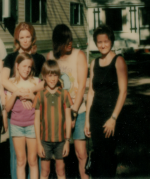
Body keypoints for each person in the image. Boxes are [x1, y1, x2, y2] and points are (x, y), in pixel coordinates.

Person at [1, 22, 46, 179]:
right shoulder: (11, 57)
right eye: (22, 37)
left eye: (28, 37)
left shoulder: (39, 58)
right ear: (17, 39)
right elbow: (4, 80)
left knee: (34, 159)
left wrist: (30, 92)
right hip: (16, 115)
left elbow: (47, 82)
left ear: (32, 38)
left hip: (33, 116)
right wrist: (20, 94)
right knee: (18, 159)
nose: (25, 40)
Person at [84, 25, 127, 178]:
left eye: (106, 41)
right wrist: (87, 121)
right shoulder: (94, 63)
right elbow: (91, 93)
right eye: (99, 42)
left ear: (111, 41)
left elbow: (123, 92)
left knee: (107, 156)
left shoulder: (118, 60)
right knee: (97, 155)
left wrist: (114, 118)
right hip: (95, 115)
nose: (102, 45)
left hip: (110, 116)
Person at [46, 24, 88, 179]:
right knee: (58, 154)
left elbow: (82, 85)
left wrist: (74, 112)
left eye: (70, 39)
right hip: (58, 113)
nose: (70, 43)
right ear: (58, 42)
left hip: (78, 110)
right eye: (65, 40)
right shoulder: (50, 56)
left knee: (81, 152)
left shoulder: (79, 55)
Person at [33, 60, 72, 179]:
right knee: (45, 171)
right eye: (49, 75)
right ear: (44, 76)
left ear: (58, 76)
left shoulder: (64, 94)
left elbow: (69, 118)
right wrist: (38, 143)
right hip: (45, 141)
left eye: (55, 75)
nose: (52, 79)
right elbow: (36, 120)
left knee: (60, 170)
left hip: (61, 140)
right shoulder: (40, 95)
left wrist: (67, 141)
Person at [5, 53, 40, 179]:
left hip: (32, 125)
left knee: (33, 160)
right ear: (17, 66)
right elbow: (7, 108)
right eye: (24, 66)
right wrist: (15, 94)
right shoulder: (10, 83)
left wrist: (32, 97)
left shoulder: (36, 82)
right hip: (16, 126)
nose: (26, 69)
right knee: (20, 161)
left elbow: (42, 104)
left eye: (29, 67)